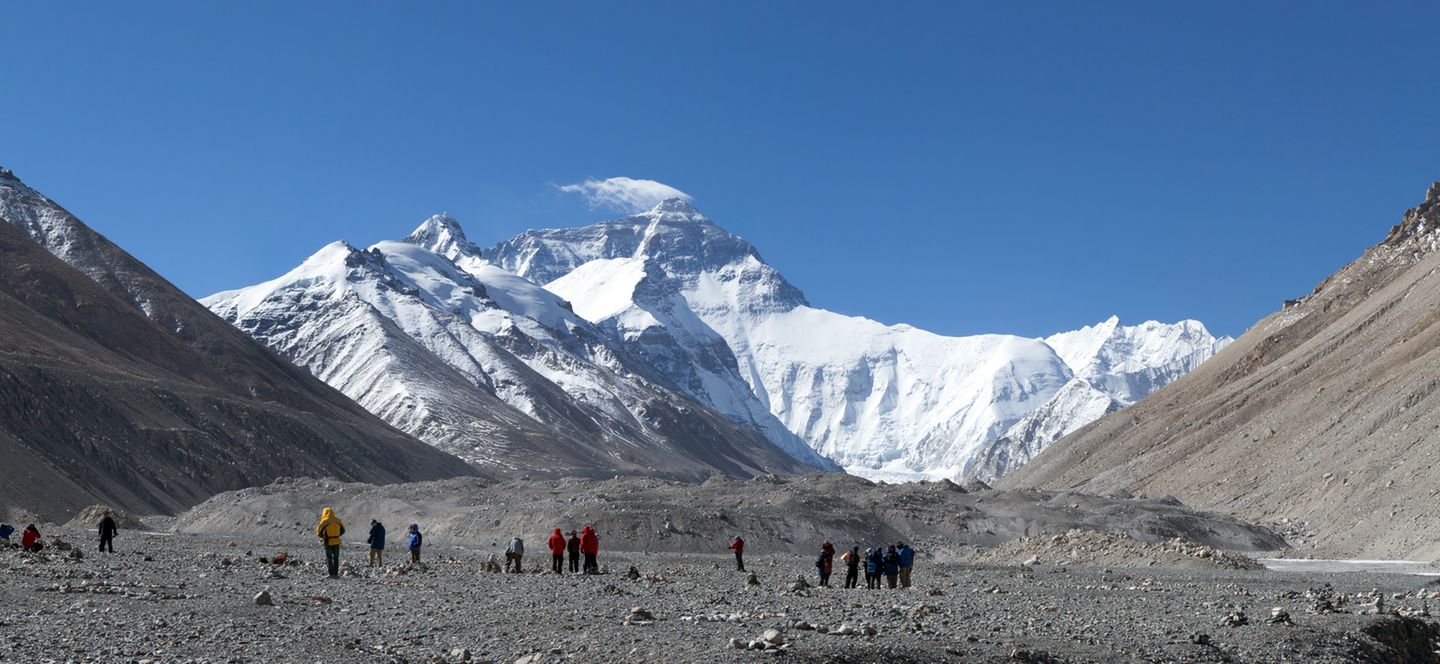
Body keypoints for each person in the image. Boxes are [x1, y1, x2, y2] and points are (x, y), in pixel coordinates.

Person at [315, 507, 345, 578]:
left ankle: (331, 574)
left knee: (329, 558)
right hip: (337, 541)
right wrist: (337, 535)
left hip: (328, 541)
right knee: (336, 557)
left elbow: (319, 532)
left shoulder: (325, 521)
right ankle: (336, 573)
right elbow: (343, 530)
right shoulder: (338, 520)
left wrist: (323, 537)